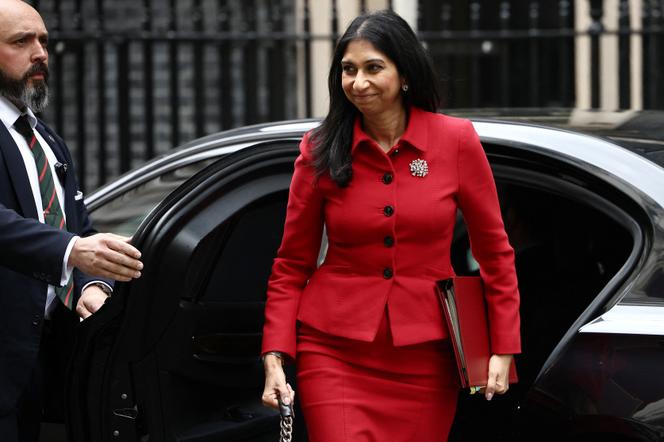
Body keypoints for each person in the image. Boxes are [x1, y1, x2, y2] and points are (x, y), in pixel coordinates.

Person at [261, 9, 521, 441]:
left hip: (427, 355)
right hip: (334, 350)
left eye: (373, 68)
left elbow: (495, 252)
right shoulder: (321, 148)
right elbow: (291, 263)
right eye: (348, 69)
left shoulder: (455, 141)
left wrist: (504, 348)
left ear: (404, 75)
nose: (358, 82)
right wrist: (274, 354)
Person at [0, 1, 144, 440]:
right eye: (21, 41)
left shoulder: (46, 139)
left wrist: (93, 284)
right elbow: (66, 244)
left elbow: (76, 227)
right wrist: (72, 252)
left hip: (47, 360)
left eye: (43, 40)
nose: (40, 52)